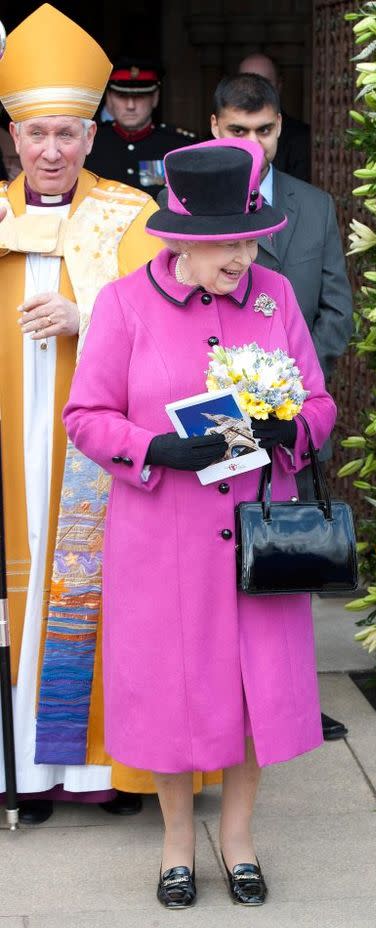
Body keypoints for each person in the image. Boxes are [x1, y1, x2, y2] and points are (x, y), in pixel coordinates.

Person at [63, 137, 337, 908]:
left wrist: (294, 430)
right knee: (175, 691)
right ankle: (178, 843)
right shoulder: (123, 305)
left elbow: (318, 402)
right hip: (163, 539)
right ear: (183, 239)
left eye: (251, 238)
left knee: (252, 692)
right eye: (228, 243)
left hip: (256, 532)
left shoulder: (274, 298)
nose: (243, 255)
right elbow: (84, 417)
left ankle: (239, 840)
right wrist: (154, 446)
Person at [0, 3, 217, 825]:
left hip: (101, 453)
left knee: (106, 598)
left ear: (94, 136)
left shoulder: (131, 218)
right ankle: (27, 764)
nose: (50, 150)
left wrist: (84, 315)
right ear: (13, 138)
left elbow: (174, 325)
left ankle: (107, 772)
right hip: (13, 451)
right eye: (35, 135)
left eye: (66, 134)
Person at [210, 72, 353, 741]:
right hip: (212, 424)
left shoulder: (314, 206)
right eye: (237, 131)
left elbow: (336, 310)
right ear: (216, 129)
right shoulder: (186, 205)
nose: (252, 144)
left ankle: (291, 698)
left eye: (263, 130)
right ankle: (221, 700)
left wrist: (289, 388)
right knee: (213, 571)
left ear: (279, 128)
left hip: (287, 420)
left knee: (287, 564)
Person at [85, 58, 196, 199]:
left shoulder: (179, 146)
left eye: (139, 97)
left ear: (155, 97)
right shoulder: (90, 142)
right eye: (121, 96)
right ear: (109, 98)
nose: (130, 105)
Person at [237, 53, 311, 182]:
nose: (254, 92)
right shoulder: (217, 135)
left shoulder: (302, 138)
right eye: (246, 83)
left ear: (279, 85)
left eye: (264, 83)